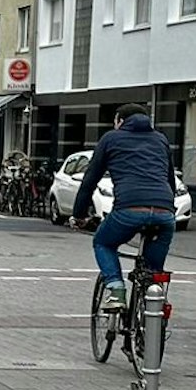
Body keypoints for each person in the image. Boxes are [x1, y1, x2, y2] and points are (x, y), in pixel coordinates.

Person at [72, 102, 177, 309]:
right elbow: (170, 180)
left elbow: (90, 180)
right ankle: (154, 311)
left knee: (103, 243)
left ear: (120, 120)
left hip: (129, 209)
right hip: (164, 212)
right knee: (154, 273)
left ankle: (116, 288)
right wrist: (166, 207)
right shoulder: (160, 139)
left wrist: (79, 215)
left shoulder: (110, 138)